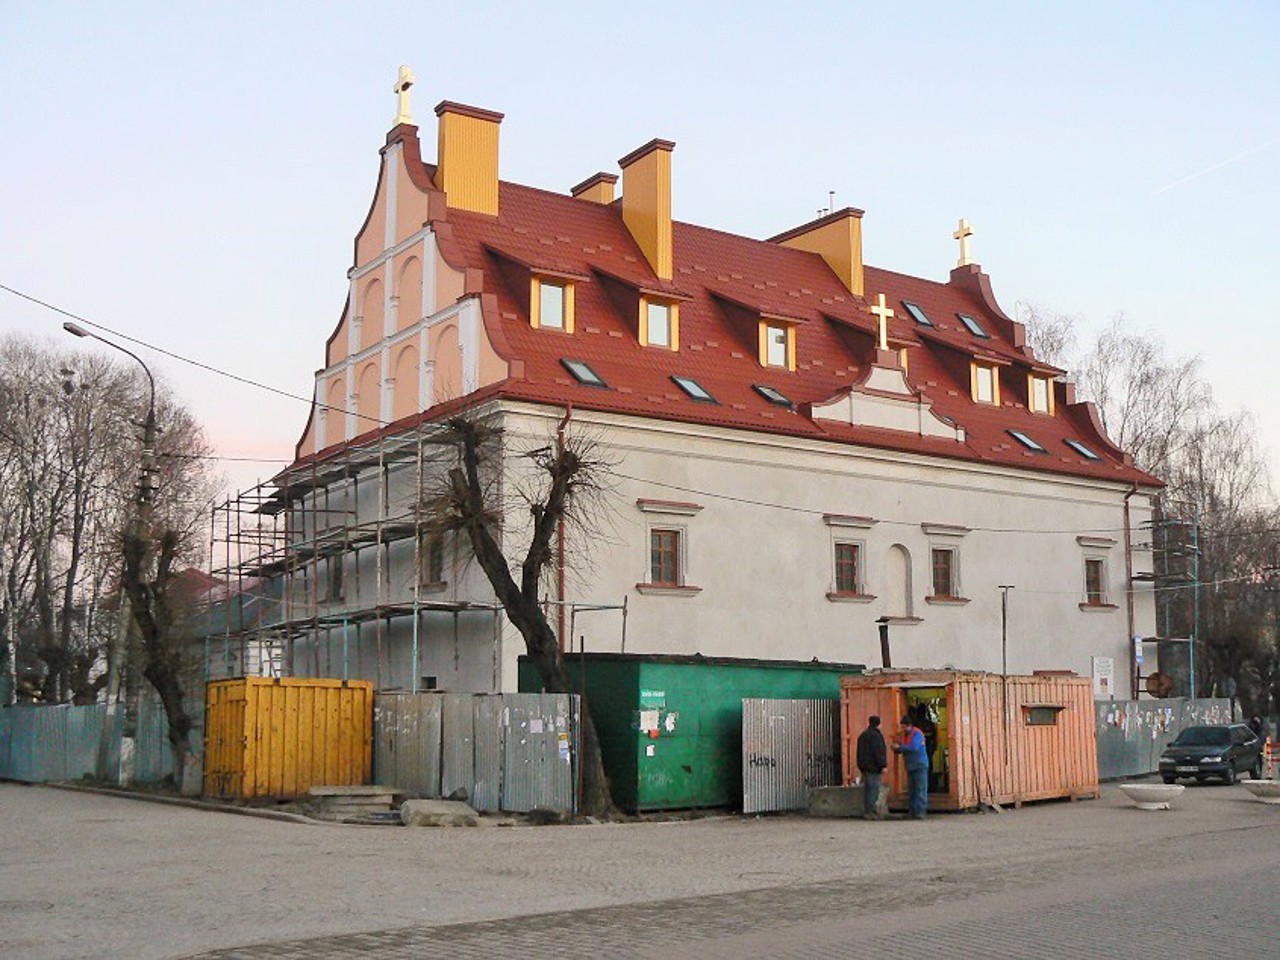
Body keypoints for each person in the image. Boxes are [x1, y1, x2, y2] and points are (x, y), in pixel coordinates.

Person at [892, 714, 929, 819]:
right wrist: (897, 748)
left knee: (920, 789)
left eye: (904, 726)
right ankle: (913, 811)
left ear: (910, 725)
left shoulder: (918, 734)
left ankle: (920, 812)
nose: (903, 729)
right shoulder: (904, 735)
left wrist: (900, 747)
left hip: (920, 764)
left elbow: (914, 747)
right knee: (912, 790)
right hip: (910, 765)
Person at [855, 715, 887, 820]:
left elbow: (859, 752)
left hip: (865, 767)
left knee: (868, 790)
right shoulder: (877, 736)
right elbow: (879, 752)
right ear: (879, 724)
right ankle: (872, 812)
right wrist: (883, 765)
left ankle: (868, 811)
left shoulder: (863, 735)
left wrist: (861, 766)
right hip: (874, 768)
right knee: (874, 790)